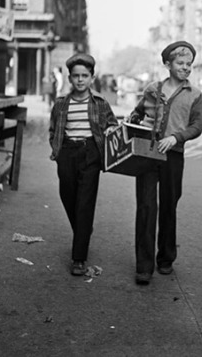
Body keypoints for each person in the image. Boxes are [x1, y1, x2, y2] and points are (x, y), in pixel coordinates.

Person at [129, 41, 202, 285]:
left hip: (173, 156)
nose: (186, 68)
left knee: (169, 206)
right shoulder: (153, 90)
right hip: (148, 154)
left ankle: (166, 258)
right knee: (146, 207)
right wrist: (135, 123)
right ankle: (144, 265)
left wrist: (176, 137)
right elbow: (138, 114)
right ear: (167, 65)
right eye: (181, 63)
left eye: (189, 64)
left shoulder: (194, 95)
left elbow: (197, 126)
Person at [49, 53, 118, 276]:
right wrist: (58, 150)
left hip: (91, 154)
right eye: (76, 76)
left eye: (84, 76)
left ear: (91, 78)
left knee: (85, 203)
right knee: (67, 196)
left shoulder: (99, 103)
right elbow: (53, 130)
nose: (80, 80)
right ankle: (84, 229)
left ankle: (78, 257)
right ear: (69, 78)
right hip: (67, 153)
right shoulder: (60, 104)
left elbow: (113, 126)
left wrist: (108, 131)